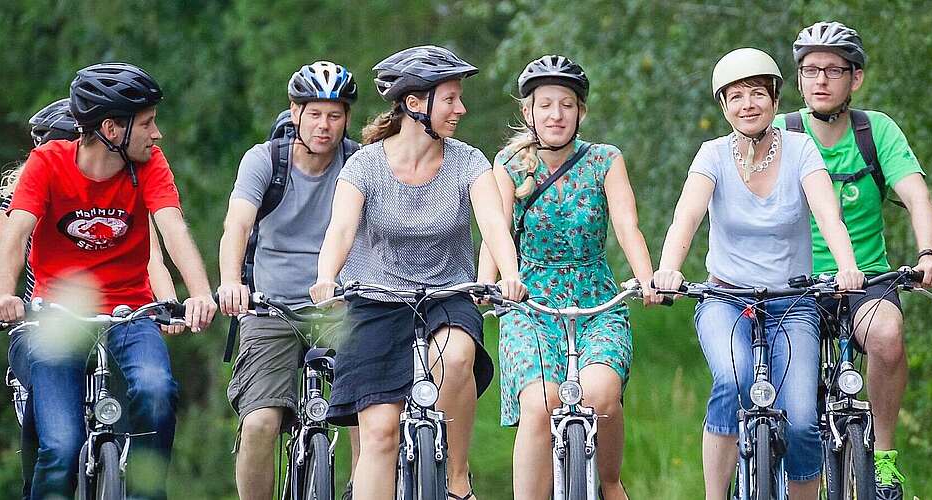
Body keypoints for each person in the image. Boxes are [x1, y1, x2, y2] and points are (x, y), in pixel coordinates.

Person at [0, 62, 218, 500]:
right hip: (56, 315)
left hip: (130, 311)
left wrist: (200, 294)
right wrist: (3, 295)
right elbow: (15, 233)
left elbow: (172, 229)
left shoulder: (148, 165)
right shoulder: (48, 163)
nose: (157, 134)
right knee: (60, 445)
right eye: (148, 123)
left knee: (156, 390)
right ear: (112, 129)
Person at [309, 45, 525, 500]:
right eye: (449, 99)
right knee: (381, 434)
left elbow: (492, 223)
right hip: (375, 301)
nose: (460, 109)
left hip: (448, 296)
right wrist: (326, 276)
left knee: (458, 356)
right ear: (414, 104)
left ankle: (456, 476)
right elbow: (342, 228)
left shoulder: (468, 161)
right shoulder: (365, 165)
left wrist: (509, 273)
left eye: (458, 98)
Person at [650, 47, 864, 500]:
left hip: (794, 302)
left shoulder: (801, 148)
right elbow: (685, 220)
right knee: (733, 380)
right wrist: (668, 269)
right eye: (735, 97)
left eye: (756, 93)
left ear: (774, 98)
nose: (747, 104)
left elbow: (829, 216)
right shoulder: (712, 155)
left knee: (804, 418)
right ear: (723, 106)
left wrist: (847, 266)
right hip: (727, 300)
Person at [0, 98, 182, 498]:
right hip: (38, 322)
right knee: (54, 432)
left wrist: (168, 305)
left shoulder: (122, 190)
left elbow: (152, 261)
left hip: (109, 317)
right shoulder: (24, 199)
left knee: (139, 394)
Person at [477, 55, 657, 500]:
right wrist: (491, 283)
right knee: (541, 404)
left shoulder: (604, 160)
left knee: (600, 393)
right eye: (545, 105)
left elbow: (626, 226)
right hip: (529, 299)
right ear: (528, 111)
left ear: (581, 111)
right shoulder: (509, 164)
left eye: (566, 104)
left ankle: (610, 483)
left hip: (596, 298)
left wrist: (647, 278)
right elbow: (495, 230)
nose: (556, 115)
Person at [786, 21, 932, 499]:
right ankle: (761, 456)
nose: (820, 80)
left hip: (866, 280)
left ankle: (882, 457)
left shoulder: (875, 131)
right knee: (770, 378)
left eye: (833, 70)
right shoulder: (781, 131)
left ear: (854, 79)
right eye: (810, 70)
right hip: (792, 284)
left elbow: (918, 197)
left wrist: (928, 254)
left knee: (887, 336)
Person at [216, 61, 360, 500]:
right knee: (261, 421)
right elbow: (237, 227)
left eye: (335, 115)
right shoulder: (264, 161)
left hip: (341, 305)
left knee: (367, 412)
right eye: (314, 113)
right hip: (270, 307)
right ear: (295, 112)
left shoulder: (359, 162)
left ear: (346, 119)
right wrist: (230, 284)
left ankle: (362, 489)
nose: (324, 125)